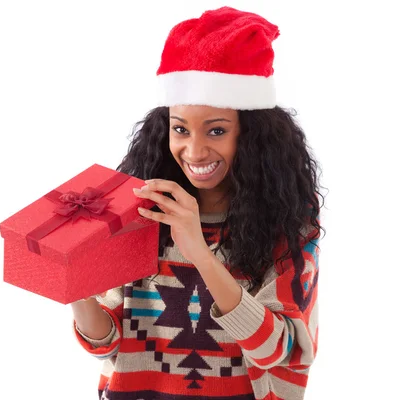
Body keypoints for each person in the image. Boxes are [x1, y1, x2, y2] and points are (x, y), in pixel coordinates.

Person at [71, 6, 324, 400]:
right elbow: (107, 344)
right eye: (180, 129)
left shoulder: (288, 222)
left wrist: (201, 255)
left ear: (252, 135)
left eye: (217, 130)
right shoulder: (140, 213)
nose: (194, 150)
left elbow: (280, 350)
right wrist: (73, 282)